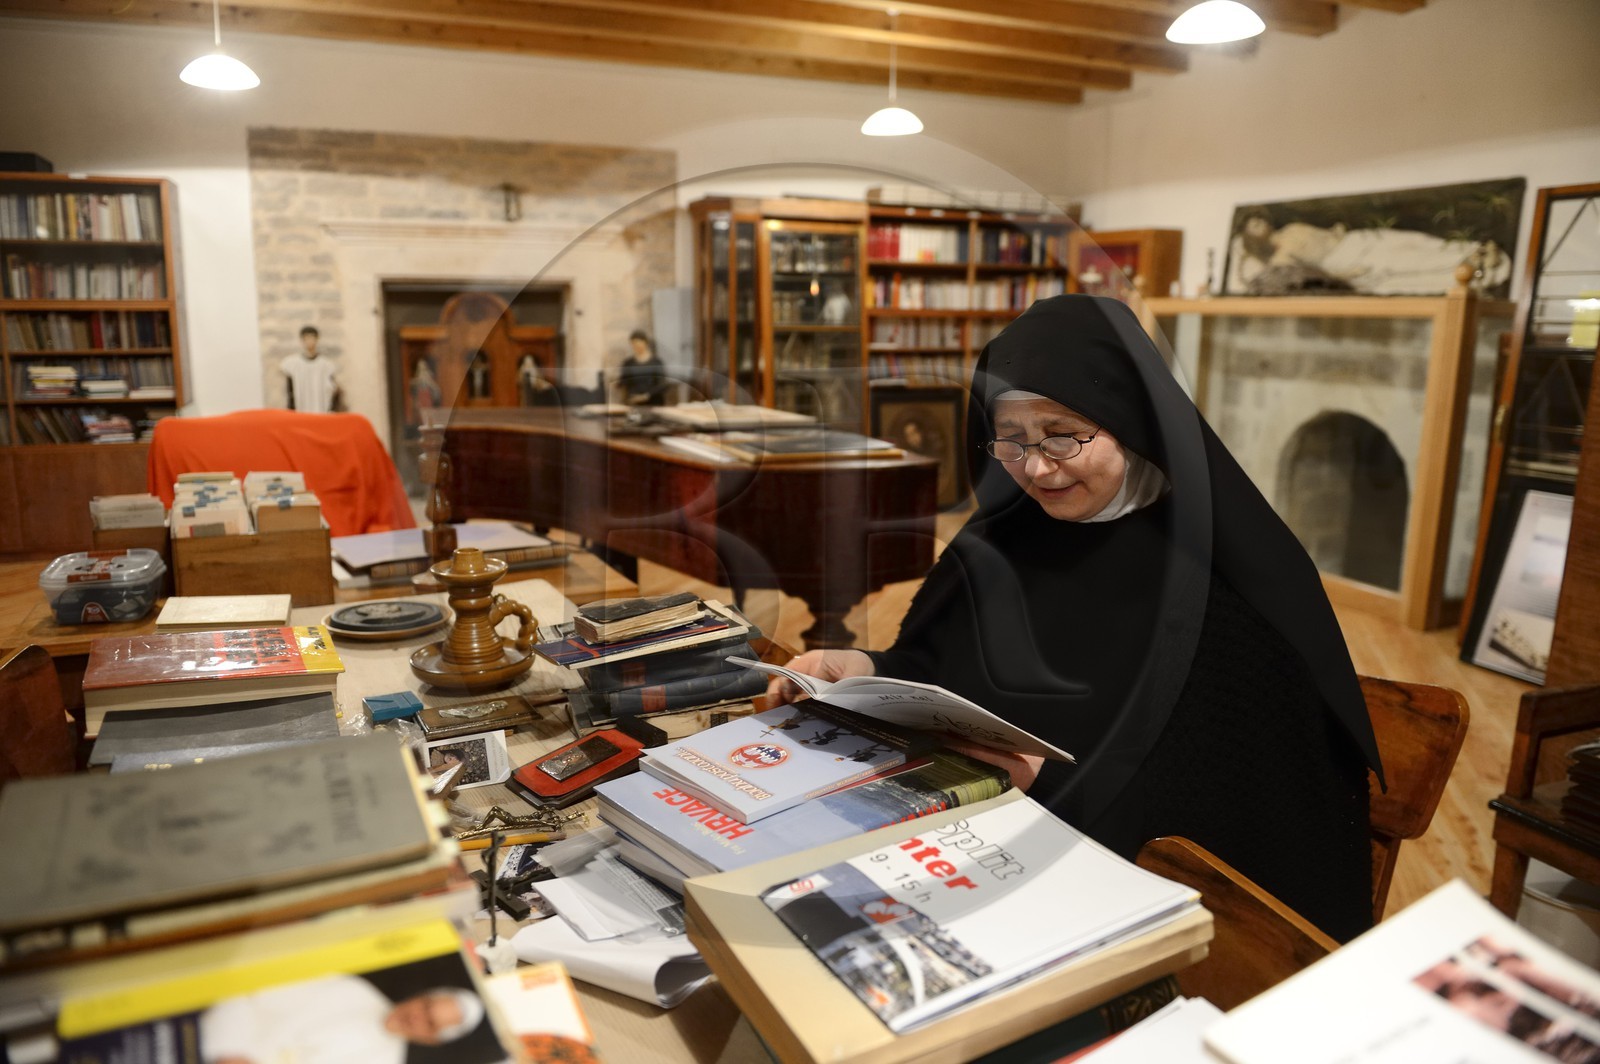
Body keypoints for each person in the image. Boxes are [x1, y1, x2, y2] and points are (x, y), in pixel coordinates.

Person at [768, 294, 1384, 943]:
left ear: (1131, 420)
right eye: (1012, 440)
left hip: (1129, 908)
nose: (1036, 467)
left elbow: (1227, 810)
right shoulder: (1003, 538)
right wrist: (860, 668)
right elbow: (936, 672)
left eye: (1062, 435)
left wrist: (1043, 780)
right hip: (966, 843)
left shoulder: (1221, 587)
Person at [199, 973, 485, 1064]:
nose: (415, 1017)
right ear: (419, 995)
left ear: (432, 1040)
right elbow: (248, 992)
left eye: (430, 1023)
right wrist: (230, 1052)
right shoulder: (349, 988)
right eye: (425, 1006)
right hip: (205, 1046)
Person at [282, 324, 340, 412]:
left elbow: (332, 389)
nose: (309, 341)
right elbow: (290, 390)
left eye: (312, 338)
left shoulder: (326, 365)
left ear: (317, 339)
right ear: (302, 340)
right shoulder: (293, 364)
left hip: (321, 408)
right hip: (301, 408)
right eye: (306, 338)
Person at [618, 329, 670, 406]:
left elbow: (663, 384)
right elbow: (624, 383)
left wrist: (646, 396)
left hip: (654, 403)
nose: (637, 347)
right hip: (634, 403)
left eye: (639, 344)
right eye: (634, 344)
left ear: (646, 343)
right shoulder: (628, 363)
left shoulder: (656, 362)